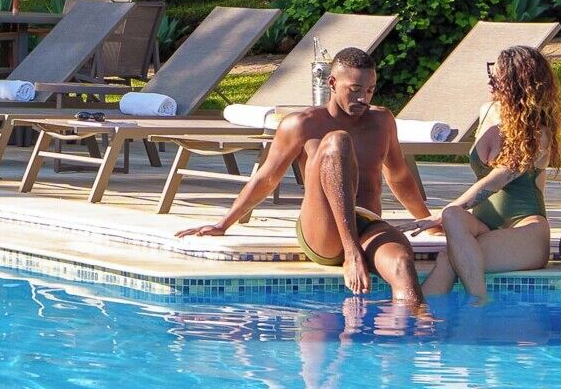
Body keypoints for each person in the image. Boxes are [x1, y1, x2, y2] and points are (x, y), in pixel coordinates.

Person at [176, 43, 435, 313]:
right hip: (323, 231)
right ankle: (351, 251)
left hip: (366, 225)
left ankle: (417, 333)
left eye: (369, 90)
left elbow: (399, 176)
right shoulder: (302, 124)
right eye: (355, 90)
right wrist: (224, 223)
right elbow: (266, 178)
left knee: (403, 263)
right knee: (337, 142)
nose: (363, 99)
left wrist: (429, 221)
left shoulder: (382, 121)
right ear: (332, 83)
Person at [430, 42, 561, 302]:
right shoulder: (487, 111)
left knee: (450, 259)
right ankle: (421, 318)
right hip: (483, 225)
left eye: (498, 77)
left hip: (524, 229)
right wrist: (447, 214)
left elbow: (498, 178)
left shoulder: (538, 132)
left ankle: (469, 307)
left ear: (518, 85)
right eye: (491, 73)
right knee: (453, 218)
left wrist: (447, 210)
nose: (491, 81)